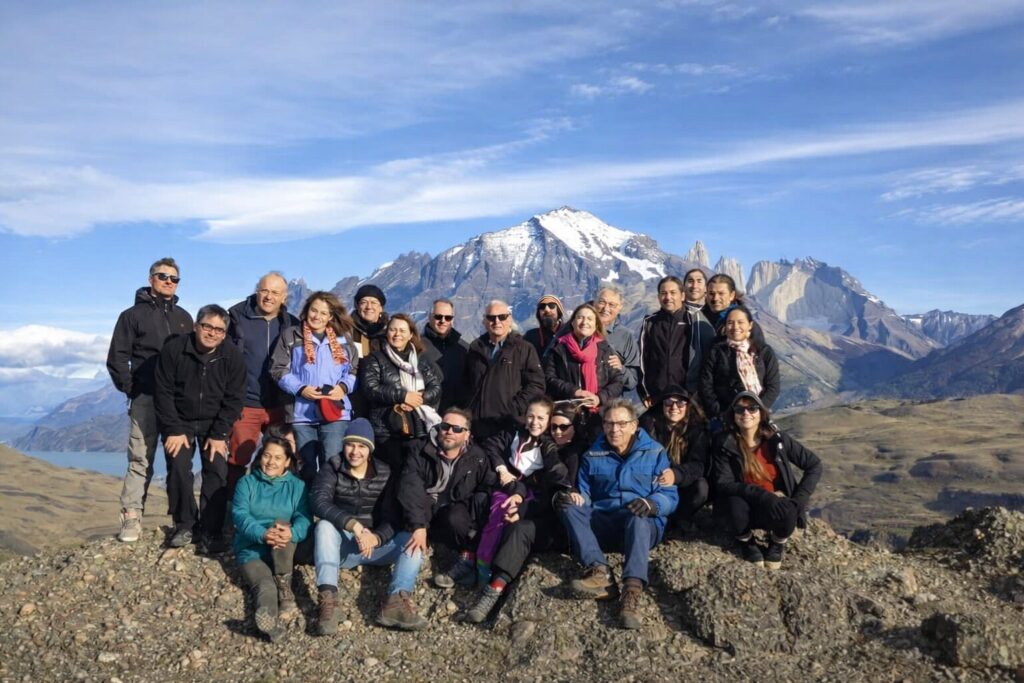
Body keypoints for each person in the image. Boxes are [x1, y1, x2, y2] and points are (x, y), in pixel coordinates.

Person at [557, 399, 678, 630]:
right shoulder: (592, 455)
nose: (615, 429)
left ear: (634, 425)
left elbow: (670, 495)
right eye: (609, 424)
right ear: (603, 426)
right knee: (569, 508)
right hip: (605, 521)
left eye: (622, 423)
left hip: (641, 525)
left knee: (638, 517)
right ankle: (600, 572)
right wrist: (574, 499)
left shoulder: (655, 453)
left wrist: (652, 504)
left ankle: (631, 592)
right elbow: (585, 495)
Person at [311, 419, 428, 633]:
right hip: (343, 547)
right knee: (324, 527)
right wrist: (353, 525)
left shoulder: (385, 473)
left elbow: (394, 516)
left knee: (412, 540)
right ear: (343, 445)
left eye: (362, 446)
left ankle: (396, 601)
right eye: (350, 444)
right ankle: (329, 601)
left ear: (370, 449)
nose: (355, 451)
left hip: (377, 545)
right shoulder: (332, 467)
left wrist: (377, 537)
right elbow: (319, 501)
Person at [106, 257, 193, 543]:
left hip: (178, 401)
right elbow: (117, 358)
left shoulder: (184, 317)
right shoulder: (131, 316)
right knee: (140, 459)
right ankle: (131, 518)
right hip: (145, 397)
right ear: (151, 279)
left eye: (174, 278)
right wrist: (133, 388)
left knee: (179, 460)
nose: (169, 281)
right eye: (163, 276)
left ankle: (183, 521)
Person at [463, 397, 571, 623]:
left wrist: (568, 487)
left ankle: (490, 579)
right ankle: (480, 566)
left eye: (541, 418)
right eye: (531, 416)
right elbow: (491, 446)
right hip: (510, 488)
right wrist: (502, 469)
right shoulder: (514, 434)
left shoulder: (547, 445)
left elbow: (555, 468)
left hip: (535, 498)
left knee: (511, 517)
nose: (534, 422)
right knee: (497, 510)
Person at [154, 304, 246, 551]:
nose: (212, 333)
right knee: (178, 466)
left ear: (225, 334)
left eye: (219, 329)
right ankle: (185, 524)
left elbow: (235, 398)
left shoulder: (232, 355)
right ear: (196, 326)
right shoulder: (174, 350)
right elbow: (162, 392)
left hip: (214, 421)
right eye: (207, 326)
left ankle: (211, 530)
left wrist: (219, 434)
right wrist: (173, 429)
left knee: (216, 470)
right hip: (180, 420)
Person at [715, 392, 822, 569]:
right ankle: (747, 542)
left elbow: (814, 465)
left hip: (774, 506)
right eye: (739, 409)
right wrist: (764, 496)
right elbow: (724, 483)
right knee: (733, 505)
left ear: (761, 413)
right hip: (746, 505)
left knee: (788, 511)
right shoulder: (725, 443)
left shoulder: (777, 440)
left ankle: (777, 542)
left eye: (752, 408)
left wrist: (798, 501)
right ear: (733, 415)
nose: (746, 413)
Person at [398, 408, 496, 589]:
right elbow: (410, 488)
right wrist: (418, 525)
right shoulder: (420, 450)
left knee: (458, 517)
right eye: (445, 426)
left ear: (467, 435)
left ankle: (469, 560)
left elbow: (485, 488)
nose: (450, 431)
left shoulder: (478, 457)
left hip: (454, 508)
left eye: (457, 429)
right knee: (408, 525)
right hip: (426, 504)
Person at [226, 272, 299, 502]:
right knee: (238, 459)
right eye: (264, 291)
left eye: (275, 292)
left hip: (279, 406)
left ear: (284, 297)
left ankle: (273, 510)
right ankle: (232, 511)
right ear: (257, 291)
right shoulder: (237, 318)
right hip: (246, 403)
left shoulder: (292, 324)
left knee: (280, 460)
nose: (268, 297)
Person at [271, 291, 357, 483]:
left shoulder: (343, 340)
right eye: (313, 310)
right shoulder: (291, 336)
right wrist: (301, 389)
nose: (317, 316)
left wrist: (343, 388)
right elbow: (278, 369)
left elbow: (353, 370)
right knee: (305, 465)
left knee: (332, 463)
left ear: (331, 317)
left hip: (335, 411)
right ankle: (306, 510)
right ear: (306, 310)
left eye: (323, 313)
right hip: (302, 413)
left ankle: (329, 510)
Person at [231, 436, 311, 642]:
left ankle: (285, 584)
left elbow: (304, 518)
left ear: (287, 462)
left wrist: (292, 533)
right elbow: (240, 515)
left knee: (282, 525)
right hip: (252, 550)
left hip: (284, 548)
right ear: (260, 457)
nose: (271, 462)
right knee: (264, 586)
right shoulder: (246, 483)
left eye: (277, 457)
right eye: (267, 455)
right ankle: (268, 623)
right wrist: (262, 533)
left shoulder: (298, 486)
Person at [358, 313, 443, 468]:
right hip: (386, 429)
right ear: (387, 333)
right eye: (393, 330)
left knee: (413, 473)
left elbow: (435, 387)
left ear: (410, 334)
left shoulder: (421, 360)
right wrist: (403, 396)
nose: (397, 334)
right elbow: (370, 388)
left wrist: (418, 400)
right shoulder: (375, 358)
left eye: (402, 331)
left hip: (419, 427)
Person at [460, 300, 545, 440]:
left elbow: (536, 385)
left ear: (510, 319)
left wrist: (513, 408)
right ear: (484, 321)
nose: (496, 321)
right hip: (477, 427)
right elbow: (466, 384)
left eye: (502, 317)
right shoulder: (475, 349)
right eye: (491, 318)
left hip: (508, 427)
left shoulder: (523, 348)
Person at [544, 303, 624, 439]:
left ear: (596, 324)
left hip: (598, 418)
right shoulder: (558, 349)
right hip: (566, 417)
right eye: (580, 318)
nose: (584, 322)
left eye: (589, 319)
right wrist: (575, 391)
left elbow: (617, 381)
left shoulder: (605, 350)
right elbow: (549, 378)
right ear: (573, 323)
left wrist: (599, 398)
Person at [641, 385, 711, 525]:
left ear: (687, 406)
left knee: (701, 487)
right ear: (662, 405)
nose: (674, 407)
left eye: (680, 403)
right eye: (668, 402)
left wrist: (676, 475)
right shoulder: (648, 425)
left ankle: (679, 518)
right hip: (653, 481)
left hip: (681, 483)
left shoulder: (697, 429)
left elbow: (699, 465)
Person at [699, 306, 781, 424]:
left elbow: (773, 386)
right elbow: (706, 385)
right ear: (725, 326)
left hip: (757, 417)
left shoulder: (764, 351)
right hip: (726, 418)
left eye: (740, 322)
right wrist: (721, 413)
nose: (735, 327)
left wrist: (757, 409)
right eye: (730, 323)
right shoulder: (716, 351)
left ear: (750, 325)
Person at [637, 276, 691, 407]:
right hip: (656, 396)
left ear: (682, 296)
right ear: (658, 297)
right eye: (663, 293)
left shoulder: (692, 321)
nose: (668, 297)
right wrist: (644, 392)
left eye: (673, 293)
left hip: (686, 395)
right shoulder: (650, 322)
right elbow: (642, 359)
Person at [421, 298, 470, 413]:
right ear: (430, 317)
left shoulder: (464, 348)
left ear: (453, 320)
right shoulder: (417, 346)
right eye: (438, 317)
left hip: (456, 416)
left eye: (448, 318)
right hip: (426, 414)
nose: (443, 321)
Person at [593, 286, 640, 394]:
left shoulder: (626, 336)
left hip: (610, 403)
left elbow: (632, 382)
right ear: (594, 303)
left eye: (612, 305)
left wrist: (620, 368)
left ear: (620, 308)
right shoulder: (581, 329)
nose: (605, 308)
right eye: (602, 302)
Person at [704, 273, 766, 346]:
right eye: (711, 293)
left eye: (721, 294)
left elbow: (762, 352)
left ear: (732, 295)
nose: (715, 298)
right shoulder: (701, 318)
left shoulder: (745, 324)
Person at [682, 269, 715, 394]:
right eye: (690, 281)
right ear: (684, 286)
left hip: (710, 389)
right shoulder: (675, 315)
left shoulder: (716, 316)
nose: (694, 285)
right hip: (678, 391)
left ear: (706, 287)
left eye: (699, 281)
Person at [350, 284, 388, 360]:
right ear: (357, 306)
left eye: (374, 302)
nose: (369, 307)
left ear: (381, 308)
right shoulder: (347, 331)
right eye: (364, 302)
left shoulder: (389, 331)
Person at [523, 294, 565, 360]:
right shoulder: (530, 337)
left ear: (559, 311)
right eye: (542, 307)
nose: (547, 310)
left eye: (551, 306)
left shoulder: (569, 334)